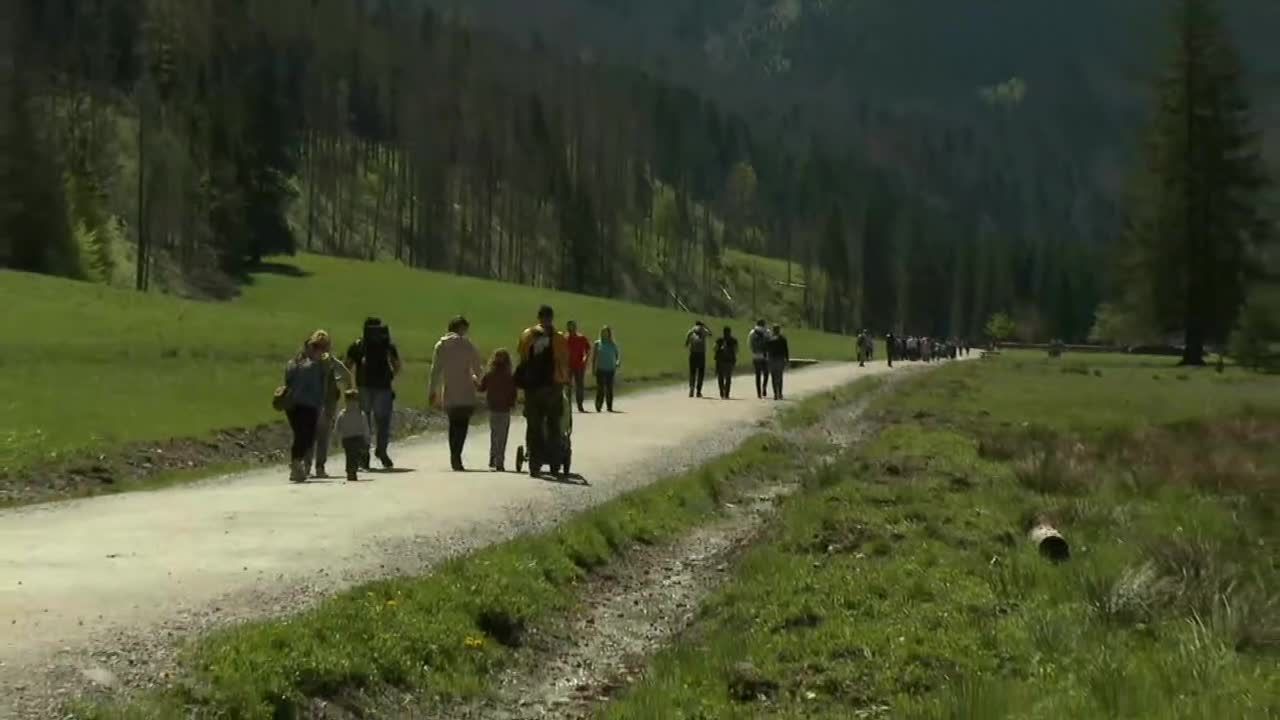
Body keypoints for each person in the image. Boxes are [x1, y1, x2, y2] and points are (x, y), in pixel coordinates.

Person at [517, 305, 570, 477]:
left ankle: (534, 463)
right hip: (553, 387)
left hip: (532, 387)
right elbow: (564, 361)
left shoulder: (527, 335)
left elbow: (522, 357)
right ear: (551, 318)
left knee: (534, 426)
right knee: (554, 425)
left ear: (538, 317)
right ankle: (555, 462)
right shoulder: (560, 338)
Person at [429, 316, 484, 472]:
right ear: (461, 328)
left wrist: (432, 391)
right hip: (466, 389)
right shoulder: (468, 344)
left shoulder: (441, 345)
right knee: (463, 425)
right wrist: (479, 382)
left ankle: (454, 454)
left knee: (453, 424)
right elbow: (477, 368)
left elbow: (435, 371)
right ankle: (457, 454)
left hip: (449, 389)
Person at [345, 317, 401, 469]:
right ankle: (381, 451)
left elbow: (347, 366)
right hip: (383, 387)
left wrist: (350, 386)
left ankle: (364, 454)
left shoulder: (358, 345)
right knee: (382, 422)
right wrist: (389, 377)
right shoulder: (387, 344)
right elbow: (397, 365)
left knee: (364, 423)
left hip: (363, 387)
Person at [302, 331, 354, 479]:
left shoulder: (307, 361)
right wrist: (348, 393)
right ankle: (320, 467)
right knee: (322, 437)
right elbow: (346, 375)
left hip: (310, 404)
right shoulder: (330, 360)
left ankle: (307, 466)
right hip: (327, 404)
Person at [283, 334, 330, 483]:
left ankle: (296, 465)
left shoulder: (296, 363)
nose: (319, 350)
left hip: (297, 404)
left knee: (304, 437)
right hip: (304, 404)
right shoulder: (310, 365)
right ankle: (296, 464)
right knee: (305, 437)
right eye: (316, 347)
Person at [479, 349, 518, 471]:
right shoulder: (509, 376)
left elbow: (481, 388)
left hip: (493, 407)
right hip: (504, 409)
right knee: (502, 436)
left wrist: (474, 380)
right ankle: (499, 460)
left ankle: (493, 456)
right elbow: (513, 393)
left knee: (494, 434)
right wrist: (513, 403)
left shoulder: (489, 375)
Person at [335, 389, 370, 482]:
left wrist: (367, 437)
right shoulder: (342, 414)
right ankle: (351, 471)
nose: (352, 404)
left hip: (358, 437)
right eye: (350, 401)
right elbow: (337, 427)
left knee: (356, 454)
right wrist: (336, 439)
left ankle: (353, 469)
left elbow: (365, 426)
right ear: (346, 402)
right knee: (350, 455)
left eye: (354, 401)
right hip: (347, 438)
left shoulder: (360, 413)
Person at [592, 326, 621, 412]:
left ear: (609, 334)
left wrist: (617, 362)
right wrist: (593, 368)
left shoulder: (613, 344)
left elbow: (617, 355)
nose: (604, 334)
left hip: (610, 369)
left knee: (609, 388)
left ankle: (609, 406)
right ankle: (598, 405)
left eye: (606, 332)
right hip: (600, 369)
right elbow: (594, 358)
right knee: (600, 388)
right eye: (603, 332)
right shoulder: (597, 344)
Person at [566, 320, 592, 413]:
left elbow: (588, 349)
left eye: (572, 326)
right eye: (569, 326)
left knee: (579, 386)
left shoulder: (581, 338)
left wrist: (585, 358)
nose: (571, 328)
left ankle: (580, 405)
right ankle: (567, 405)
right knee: (567, 386)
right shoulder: (565, 338)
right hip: (568, 366)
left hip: (579, 366)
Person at [685, 320, 713, 398]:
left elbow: (686, 344)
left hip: (693, 354)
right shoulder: (704, 331)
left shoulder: (690, 331)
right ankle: (698, 391)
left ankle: (691, 388)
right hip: (701, 354)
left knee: (692, 372)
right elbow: (711, 334)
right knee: (701, 373)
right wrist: (705, 326)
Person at [765, 325, 790, 401]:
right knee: (779, 376)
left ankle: (775, 394)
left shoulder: (769, 339)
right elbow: (786, 349)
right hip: (780, 358)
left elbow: (766, 349)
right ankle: (780, 393)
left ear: (773, 330)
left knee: (773, 377)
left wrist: (767, 358)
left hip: (772, 359)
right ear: (779, 330)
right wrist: (787, 359)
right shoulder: (782, 339)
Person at [748, 320, 771, 399]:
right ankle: (764, 387)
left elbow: (749, 344)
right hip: (765, 356)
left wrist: (754, 351)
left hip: (756, 356)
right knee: (766, 373)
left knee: (757, 375)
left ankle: (758, 392)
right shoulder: (767, 332)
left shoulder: (752, 332)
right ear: (764, 324)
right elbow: (770, 343)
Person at [714, 327, 739, 400]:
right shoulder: (734, 340)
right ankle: (727, 393)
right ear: (730, 332)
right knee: (728, 377)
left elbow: (714, 348)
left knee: (720, 377)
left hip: (720, 361)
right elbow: (736, 350)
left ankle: (721, 392)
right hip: (730, 361)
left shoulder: (719, 340)